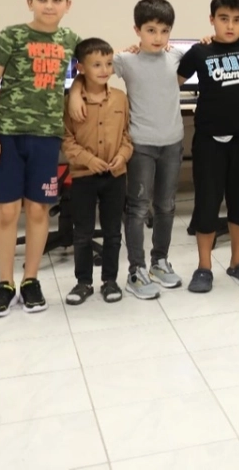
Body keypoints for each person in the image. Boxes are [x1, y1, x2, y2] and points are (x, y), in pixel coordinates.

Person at [67, 0, 185, 300]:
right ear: (137, 30)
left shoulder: (175, 56)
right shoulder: (125, 60)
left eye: (164, 31)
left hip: (172, 142)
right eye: (150, 30)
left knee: (166, 206)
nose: (158, 37)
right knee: (138, 208)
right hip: (141, 144)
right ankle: (136, 269)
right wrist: (75, 93)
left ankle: (159, 261)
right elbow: (90, 70)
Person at [0, 0, 80, 317]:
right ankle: (5, 283)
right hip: (8, 135)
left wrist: (76, 92)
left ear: (68, 4)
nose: (49, 5)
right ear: (30, 1)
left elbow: (95, 66)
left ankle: (30, 279)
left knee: (38, 209)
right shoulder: (12, 36)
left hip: (46, 136)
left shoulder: (71, 39)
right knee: (8, 210)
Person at [178, 0, 239, 293]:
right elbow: (172, 80)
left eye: (237, 19)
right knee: (207, 203)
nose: (230, 25)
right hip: (209, 141)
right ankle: (204, 267)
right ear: (212, 19)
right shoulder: (199, 52)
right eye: (223, 18)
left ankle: (237, 262)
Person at [62, 38, 134, 305]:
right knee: (82, 233)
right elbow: (66, 139)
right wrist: (88, 160)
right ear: (81, 68)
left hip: (115, 176)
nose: (105, 70)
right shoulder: (71, 102)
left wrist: (123, 155)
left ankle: (110, 280)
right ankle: (83, 282)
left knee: (113, 232)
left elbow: (127, 135)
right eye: (96, 65)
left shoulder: (120, 98)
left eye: (108, 63)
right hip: (84, 176)